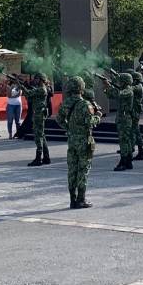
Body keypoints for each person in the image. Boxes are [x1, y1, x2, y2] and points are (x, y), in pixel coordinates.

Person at [58, 76, 101, 209]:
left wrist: (69, 129)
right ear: (81, 88)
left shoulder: (65, 103)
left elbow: (59, 119)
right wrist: (98, 116)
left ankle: (72, 199)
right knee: (83, 169)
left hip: (72, 141)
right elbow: (90, 122)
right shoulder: (85, 104)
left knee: (72, 170)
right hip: (84, 141)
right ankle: (81, 199)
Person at [103, 72, 136, 171]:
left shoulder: (128, 90)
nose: (119, 82)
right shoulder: (124, 89)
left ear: (125, 82)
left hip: (125, 118)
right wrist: (107, 87)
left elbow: (119, 94)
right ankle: (128, 161)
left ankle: (124, 161)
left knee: (124, 141)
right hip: (123, 117)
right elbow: (112, 95)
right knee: (125, 140)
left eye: (121, 81)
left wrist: (110, 85)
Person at [26, 73, 51, 166]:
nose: (34, 80)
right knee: (42, 135)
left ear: (40, 80)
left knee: (38, 136)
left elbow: (29, 94)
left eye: (36, 79)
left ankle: (38, 158)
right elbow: (31, 94)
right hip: (39, 114)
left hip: (39, 115)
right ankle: (46, 157)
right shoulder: (40, 89)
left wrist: (21, 86)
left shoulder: (42, 89)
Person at [128, 70, 143, 161]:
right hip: (134, 110)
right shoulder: (137, 86)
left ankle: (135, 150)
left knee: (134, 132)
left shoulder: (138, 87)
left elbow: (129, 89)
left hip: (135, 111)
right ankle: (139, 151)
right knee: (136, 132)